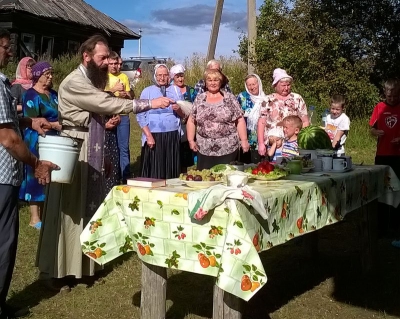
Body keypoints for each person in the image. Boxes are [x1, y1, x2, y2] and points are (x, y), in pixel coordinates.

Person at [36, 35, 172, 292]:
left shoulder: (89, 80)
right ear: (86, 57)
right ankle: (59, 269)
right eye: (101, 58)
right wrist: (147, 104)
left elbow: (98, 112)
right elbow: (104, 103)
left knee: (90, 208)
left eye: (108, 57)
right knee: (70, 207)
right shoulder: (74, 82)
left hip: (93, 144)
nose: (105, 62)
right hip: (76, 148)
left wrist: (106, 157)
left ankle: (84, 267)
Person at [0, 28, 58, 319]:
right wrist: (35, 162)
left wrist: (28, 119)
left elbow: (9, 118)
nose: (9, 52)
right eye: (5, 47)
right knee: (4, 240)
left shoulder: (3, 84)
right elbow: (8, 138)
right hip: (1, 175)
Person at [18, 61, 61, 230]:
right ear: (38, 76)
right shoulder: (31, 95)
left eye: (51, 74)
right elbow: (32, 119)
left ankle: (47, 213)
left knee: (50, 172)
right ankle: (34, 218)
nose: (50, 77)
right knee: (36, 174)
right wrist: (53, 125)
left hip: (54, 138)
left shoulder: (54, 94)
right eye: (47, 74)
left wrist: (57, 125)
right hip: (36, 138)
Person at [187, 69, 250, 170]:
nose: (213, 83)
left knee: (226, 179)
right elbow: (191, 120)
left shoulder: (229, 98)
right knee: (206, 180)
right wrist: (190, 140)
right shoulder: (200, 99)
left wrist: (244, 140)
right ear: (206, 83)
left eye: (216, 80)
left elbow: (240, 119)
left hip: (228, 148)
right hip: (204, 148)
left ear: (220, 82)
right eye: (210, 80)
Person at [137, 64, 184, 179]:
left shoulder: (176, 91)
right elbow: (140, 115)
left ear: (169, 76)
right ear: (155, 76)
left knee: (170, 170)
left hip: (172, 135)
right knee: (155, 169)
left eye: (165, 75)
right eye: (159, 75)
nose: (162, 78)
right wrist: (148, 135)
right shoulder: (147, 91)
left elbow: (184, 115)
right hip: (153, 135)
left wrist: (179, 110)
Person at [369, 79, 400, 246]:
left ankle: (395, 227)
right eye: (390, 95)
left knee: (397, 190)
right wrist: (376, 132)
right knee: (381, 190)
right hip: (382, 154)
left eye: (396, 95)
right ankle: (381, 228)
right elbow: (371, 129)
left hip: (398, 155)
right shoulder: (379, 107)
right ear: (385, 93)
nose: (393, 98)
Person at [257, 68, 309, 157]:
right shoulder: (267, 100)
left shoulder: (297, 98)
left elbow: (305, 121)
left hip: (292, 145)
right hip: (272, 145)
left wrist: (301, 140)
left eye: (288, 85)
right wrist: (261, 143)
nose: (286, 88)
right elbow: (262, 122)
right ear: (275, 85)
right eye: (283, 85)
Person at [105, 51, 132, 183]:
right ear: (107, 63)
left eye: (116, 63)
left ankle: (125, 176)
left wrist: (125, 95)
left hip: (123, 115)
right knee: (110, 146)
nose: (114, 66)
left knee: (123, 147)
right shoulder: (103, 77)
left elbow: (129, 95)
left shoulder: (124, 77)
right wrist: (114, 90)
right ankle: (112, 176)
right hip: (109, 115)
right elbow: (99, 96)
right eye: (112, 63)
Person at [170, 64, 196, 172]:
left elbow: (196, 107)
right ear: (173, 77)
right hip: (173, 126)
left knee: (185, 153)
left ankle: (184, 174)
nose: (180, 79)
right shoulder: (169, 90)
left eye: (182, 76)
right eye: (177, 77)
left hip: (187, 125)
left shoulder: (191, 91)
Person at [237, 74, 267, 163]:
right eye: (249, 85)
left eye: (254, 84)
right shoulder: (242, 97)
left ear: (259, 84)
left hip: (261, 140)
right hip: (245, 139)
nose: (252, 87)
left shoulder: (265, 99)